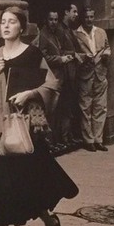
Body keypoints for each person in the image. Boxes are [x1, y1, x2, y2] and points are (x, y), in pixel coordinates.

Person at [0, 6, 79, 226]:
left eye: (12, 22)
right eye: (3, 22)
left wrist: (29, 93)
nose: (6, 26)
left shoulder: (33, 54)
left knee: (30, 185)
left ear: (22, 27)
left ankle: (49, 220)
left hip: (25, 129)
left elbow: (53, 84)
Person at [34, 9, 78, 151]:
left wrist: (67, 55)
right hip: (52, 78)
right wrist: (61, 59)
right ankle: (49, 143)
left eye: (55, 19)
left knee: (60, 110)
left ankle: (58, 140)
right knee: (51, 111)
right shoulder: (43, 35)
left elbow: (63, 48)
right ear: (46, 20)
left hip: (62, 77)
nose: (53, 22)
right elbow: (43, 57)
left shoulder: (57, 34)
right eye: (51, 19)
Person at [72, 7, 111, 151]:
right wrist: (83, 57)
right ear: (82, 18)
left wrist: (107, 53)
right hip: (85, 74)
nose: (89, 20)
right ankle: (88, 140)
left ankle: (98, 139)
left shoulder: (101, 32)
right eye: (86, 17)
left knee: (100, 107)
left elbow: (107, 47)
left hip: (100, 73)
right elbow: (73, 53)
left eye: (91, 17)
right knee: (85, 107)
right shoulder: (76, 34)